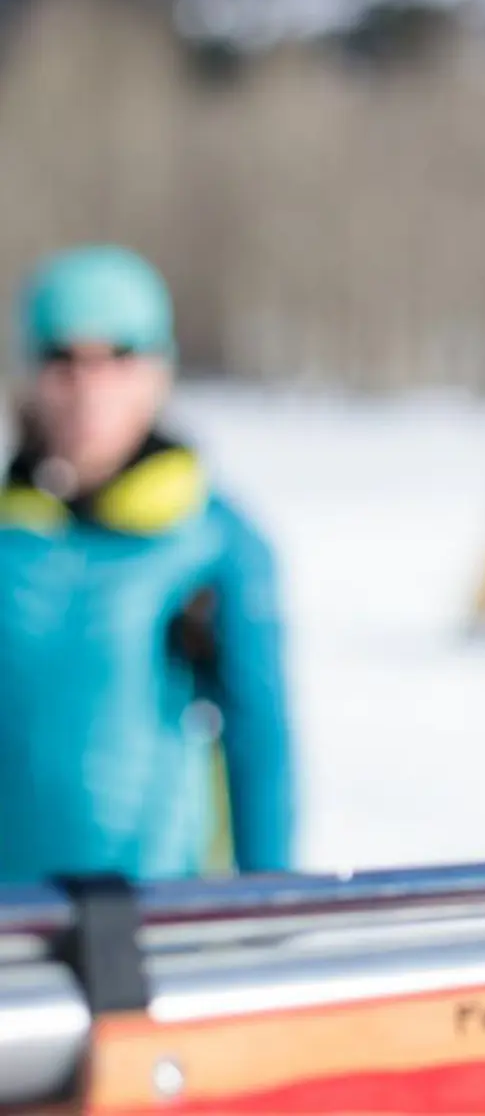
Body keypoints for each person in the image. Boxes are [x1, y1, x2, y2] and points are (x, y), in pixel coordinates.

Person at [0, 245, 296, 882]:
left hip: (152, 924)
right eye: (63, 360)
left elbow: (260, 743)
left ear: (157, 372)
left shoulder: (215, 541)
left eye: (118, 357)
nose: (88, 387)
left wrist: (270, 909)